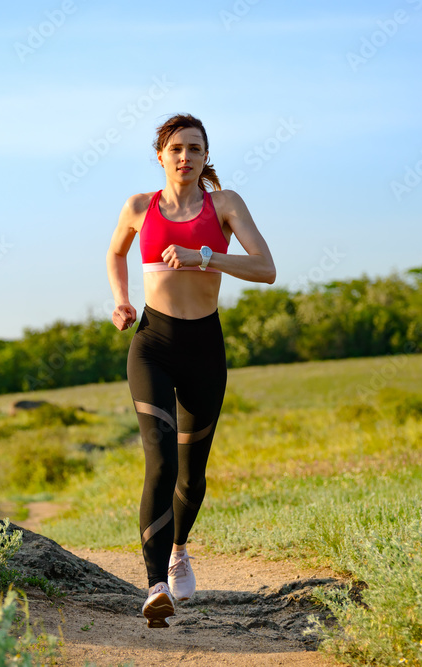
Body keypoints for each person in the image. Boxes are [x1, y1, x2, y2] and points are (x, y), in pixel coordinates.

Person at [105, 113, 276, 628]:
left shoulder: (225, 205)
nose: (185, 157)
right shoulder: (139, 206)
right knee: (159, 460)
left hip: (205, 346)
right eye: (176, 148)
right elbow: (115, 252)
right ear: (161, 155)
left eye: (195, 149)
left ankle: (179, 549)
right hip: (152, 344)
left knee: (191, 472)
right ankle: (156, 584)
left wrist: (205, 256)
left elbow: (266, 268)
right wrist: (121, 301)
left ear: (206, 157)